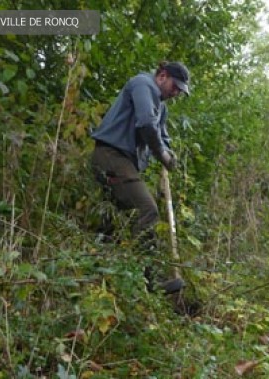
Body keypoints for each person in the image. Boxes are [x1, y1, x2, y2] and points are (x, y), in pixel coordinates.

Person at [90, 61, 190, 295]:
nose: (175, 93)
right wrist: (162, 154)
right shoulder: (143, 84)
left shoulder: (161, 107)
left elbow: (161, 137)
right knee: (147, 209)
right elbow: (146, 123)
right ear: (162, 76)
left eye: (179, 91)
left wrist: (170, 154)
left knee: (113, 219)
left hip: (124, 162)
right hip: (110, 156)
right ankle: (150, 280)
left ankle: (106, 277)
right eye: (175, 87)